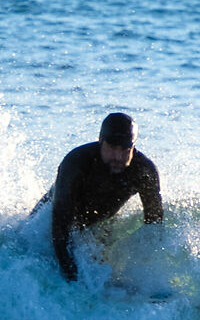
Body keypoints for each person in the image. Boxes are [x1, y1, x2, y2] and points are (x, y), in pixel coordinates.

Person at [50, 111, 163, 282]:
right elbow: (59, 227)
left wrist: (142, 268)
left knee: (102, 269)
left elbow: (154, 224)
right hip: (56, 214)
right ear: (101, 141)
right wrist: (70, 274)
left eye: (125, 149)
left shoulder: (143, 171)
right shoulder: (76, 162)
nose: (118, 156)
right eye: (112, 148)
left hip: (99, 224)